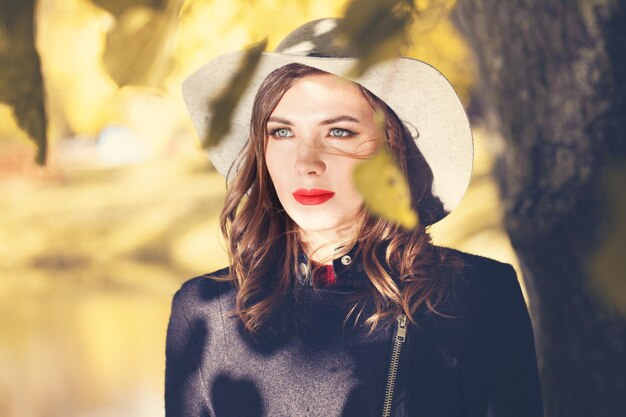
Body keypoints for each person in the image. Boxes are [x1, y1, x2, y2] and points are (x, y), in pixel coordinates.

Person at [166, 18, 544, 417]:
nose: (306, 162)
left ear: (391, 151)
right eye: (281, 132)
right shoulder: (203, 311)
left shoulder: (475, 295)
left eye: (339, 132)